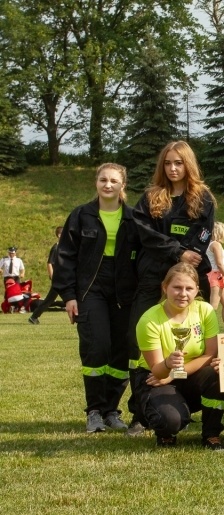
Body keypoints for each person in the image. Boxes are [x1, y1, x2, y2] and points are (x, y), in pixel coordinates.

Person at [127, 140, 216, 436]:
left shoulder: (203, 198)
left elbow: (202, 235)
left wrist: (185, 257)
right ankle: (140, 411)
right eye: (168, 163)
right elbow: (145, 234)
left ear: (188, 164)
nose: (173, 168)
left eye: (179, 163)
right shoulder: (151, 197)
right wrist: (176, 250)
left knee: (190, 343)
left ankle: (180, 399)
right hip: (152, 277)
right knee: (142, 347)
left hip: (188, 279)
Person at [52, 163, 140, 433]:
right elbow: (64, 257)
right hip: (91, 290)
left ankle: (112, 410)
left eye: (114, 180)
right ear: (96, 183)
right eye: (103, 180)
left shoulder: (133, 217)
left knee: (121, 353)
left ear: (122, 185)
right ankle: (94, 411)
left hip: (124, 292)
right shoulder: (81, 215)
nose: (108, 185)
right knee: (97, 347)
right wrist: (68, 296)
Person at [132, 263, 224, 449]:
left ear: (197, 290)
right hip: (156, 378)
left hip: (186, 374)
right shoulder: (149, 320)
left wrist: (175, 373)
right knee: (171, 421)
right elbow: (158, 372)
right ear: (164, 287)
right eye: (177, 287)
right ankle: (165, 431)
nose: (183, 293)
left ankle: (211, 434)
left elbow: (210, 354)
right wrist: (168, 364)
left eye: (189, 288)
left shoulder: (205, 310)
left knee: (219, 371)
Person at [29, 226, 64, 325]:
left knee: (50, 300)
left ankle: (34, 316)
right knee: (51, 299)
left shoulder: (62, 247)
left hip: (63, 278)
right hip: (58, 279)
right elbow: (49, 263)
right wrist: (53, 277)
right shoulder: (55, 248)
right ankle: (34, 316)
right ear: (59, 235)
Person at [206, 222, 224, 333]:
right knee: (213, 306)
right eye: (223, 231)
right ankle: (207, 331)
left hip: (218, 276)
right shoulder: (216, 245)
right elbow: (220, 264)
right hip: (217, 275)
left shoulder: (209, 244)